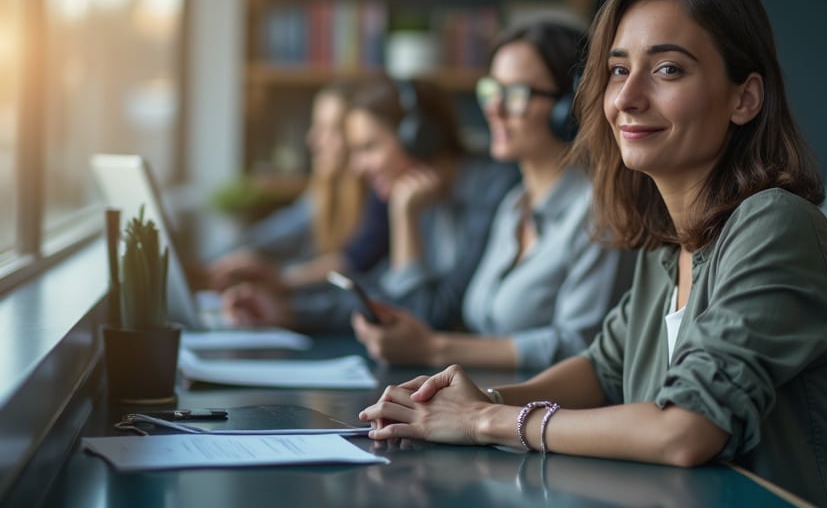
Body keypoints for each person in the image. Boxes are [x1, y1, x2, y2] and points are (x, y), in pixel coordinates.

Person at [359, 0, 827, 508]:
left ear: (745, 98)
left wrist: (487, 421)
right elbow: (602, 370)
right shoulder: (670, 243)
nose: (626, 98)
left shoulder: (775, 224)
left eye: (668, 69)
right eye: (619, 70)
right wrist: (477, 398)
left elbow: (686, 431)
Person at [352, 21, 635, 369]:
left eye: (516, 94)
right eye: (491, 90)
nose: (493, 109)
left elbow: (581, 347)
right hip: (482, 406)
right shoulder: (514, 207)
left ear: (570, 107)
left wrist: (433, 348)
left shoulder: (600, 213)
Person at [225, 76, 520, 331]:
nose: (358, 168)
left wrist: (404, 216)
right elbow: (382, 294)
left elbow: (427, 316)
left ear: (418, 139)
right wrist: (289, 312)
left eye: (369, 147)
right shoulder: (425, 195)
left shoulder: (491, 192)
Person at [206, 84, 389, 293]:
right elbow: (271, 235)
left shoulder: (380, 196)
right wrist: (217, 261)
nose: (312, 140)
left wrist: (279, 279)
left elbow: (352, 262)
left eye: (329, 129)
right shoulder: (322, 195)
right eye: (316, 126)